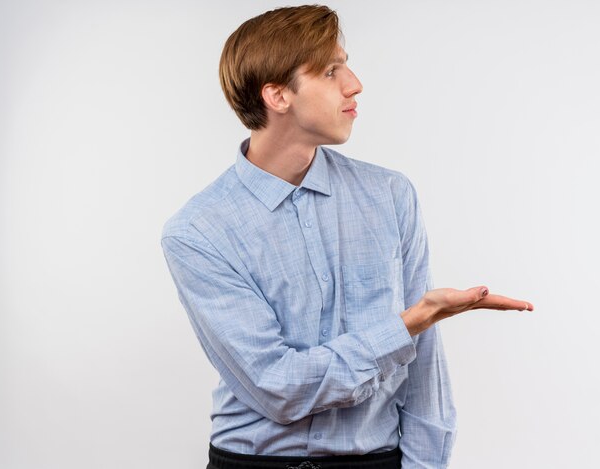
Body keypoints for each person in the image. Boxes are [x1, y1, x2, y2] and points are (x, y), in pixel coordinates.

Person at [161, 5, 533, 469]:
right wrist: (408, 324)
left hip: (376, 460)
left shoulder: (390, 195)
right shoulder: (198, 232)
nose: (354, 83)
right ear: (278, 96)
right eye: (331, 70)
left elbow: (424, 371)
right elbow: (278, 387)